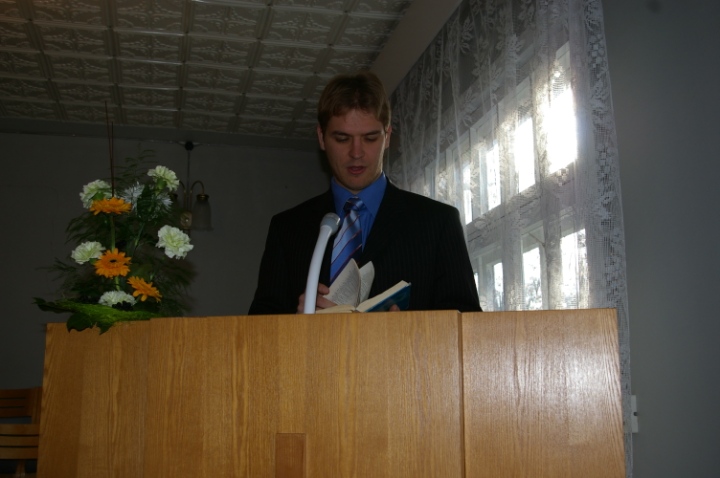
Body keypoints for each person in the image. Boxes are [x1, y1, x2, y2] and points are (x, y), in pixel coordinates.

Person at [248, 71, 481, 314]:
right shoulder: (287, 229)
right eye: (342, 139)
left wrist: (411, 331)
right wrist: (294, 325)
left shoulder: (438, 223)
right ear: (322, 138)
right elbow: (257, 327)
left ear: (387, 137)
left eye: (370, 138)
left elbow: (466, 323)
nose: (356, 153)